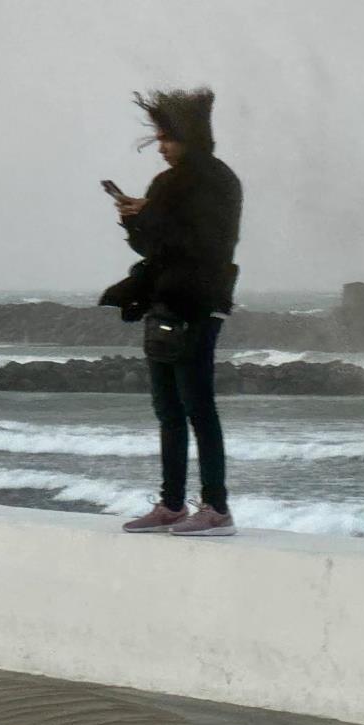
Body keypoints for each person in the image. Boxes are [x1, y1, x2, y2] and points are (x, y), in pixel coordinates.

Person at [99, 87, 243, 537]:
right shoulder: (171, 182)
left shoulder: (211, 180)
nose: (160, 147)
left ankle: (216, 509)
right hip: (166, 302)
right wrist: (134, 218)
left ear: (190, 136)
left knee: (197, 407)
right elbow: (153, 245)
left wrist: (150, 214)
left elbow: (205, 242)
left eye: (166, 138)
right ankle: (173, 504)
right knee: (168, 409)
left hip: (196, 303)